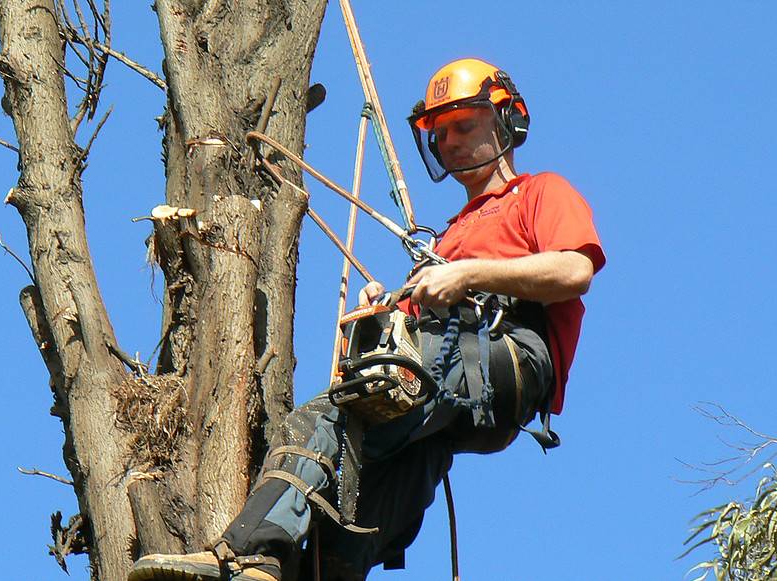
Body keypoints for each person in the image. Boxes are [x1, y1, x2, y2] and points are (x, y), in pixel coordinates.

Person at [129, 58, 605, 581]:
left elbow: (574, 269)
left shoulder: (538, 194)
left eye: (463, 126)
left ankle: (247, 551)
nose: (449, 142)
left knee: (329, 413)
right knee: (362, 476)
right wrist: (392, 305)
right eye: (440, 133)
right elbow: (419, 319)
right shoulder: (448, 238)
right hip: (449, 384)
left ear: (506, 121)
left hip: (503, 354)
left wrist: (470, 276)